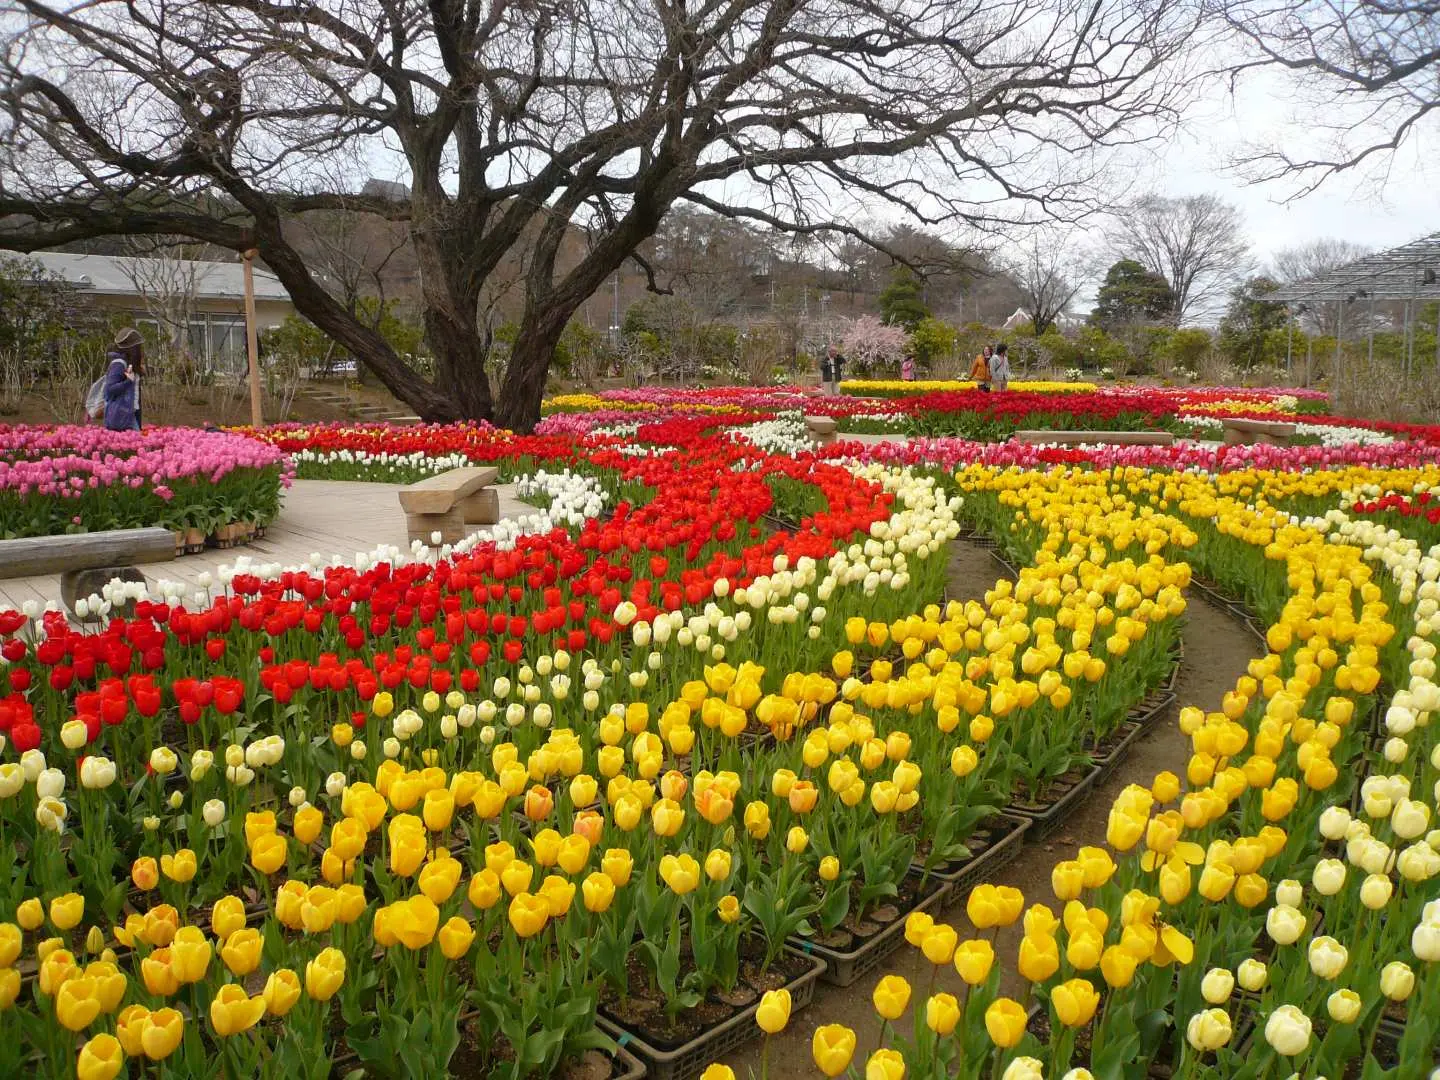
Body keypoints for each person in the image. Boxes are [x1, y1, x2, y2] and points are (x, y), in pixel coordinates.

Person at [103, 327, 144, 431]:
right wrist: (128, 381)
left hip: (133, 411)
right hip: (122, 413)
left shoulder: (130, 364)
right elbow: (110, 389)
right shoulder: (119, 364)